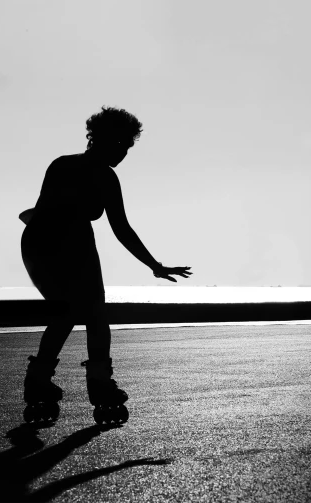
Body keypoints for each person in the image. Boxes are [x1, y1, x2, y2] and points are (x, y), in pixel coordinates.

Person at [19, 106, 192, 421]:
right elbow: (121, 229)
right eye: (120, 145)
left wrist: (154, 265)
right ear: (103, 140)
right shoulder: (104, 176)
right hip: (67, 241)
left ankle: (39, 379)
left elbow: (40, 212)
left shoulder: (60, 164)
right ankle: (99, 382)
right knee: (95, 312)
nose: (123, 153)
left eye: (127, 148)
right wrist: (154, 265)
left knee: (66, 312)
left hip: (36, 241)